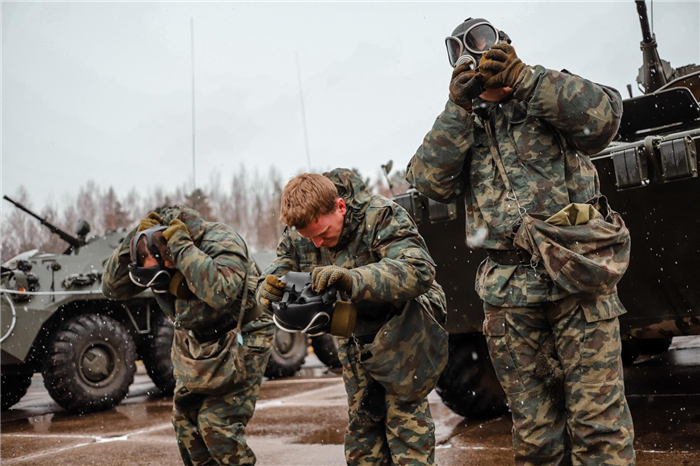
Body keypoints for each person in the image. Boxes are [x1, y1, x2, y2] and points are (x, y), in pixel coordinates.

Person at [406, 18, 636, 466]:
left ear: (506, 48)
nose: (476, 59)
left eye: (485, 48)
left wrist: (525, 80)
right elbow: (428, 181)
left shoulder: (546, 91)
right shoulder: (465, 123)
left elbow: (605, 119)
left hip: (577, 276)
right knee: (536, 436)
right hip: (510, 293)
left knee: (598, 428)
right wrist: (458, 108)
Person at [257, 168, 447, 466]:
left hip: (402, 330)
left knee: (406, 428)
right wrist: (265, 291)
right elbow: (278, 270)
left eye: (322, 235)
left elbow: (419, 269)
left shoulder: (380, 216)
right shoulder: (301, 232)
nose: (317, 245)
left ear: (340, 207)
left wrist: (352, 279)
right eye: (310, 239)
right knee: (363, 433)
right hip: (354, 337)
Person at [102, 205, 274, 466]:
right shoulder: (154, 250)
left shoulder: (221, 240)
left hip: (241, 336)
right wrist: (134, 238)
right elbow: (112, 289)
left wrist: (181, 248)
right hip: (195, 341)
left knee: (216, 426)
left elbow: (220, 292)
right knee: (186, 424)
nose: (158, 285)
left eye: (161, 276)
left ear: (170, 257)